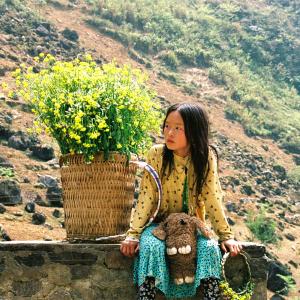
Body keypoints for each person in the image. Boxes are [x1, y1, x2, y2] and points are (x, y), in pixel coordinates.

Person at [120, 102, 242, 300]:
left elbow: (212, 197)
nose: (169, 133)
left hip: (191, 225)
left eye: (178, 128)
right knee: (151, 247)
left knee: (210, 248)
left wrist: (226, 236)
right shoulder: (157, 154)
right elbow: (147, 196)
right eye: (167, 126)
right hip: (159, 224)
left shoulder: (206, 157)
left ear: (194, 131)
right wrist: (133, 235)